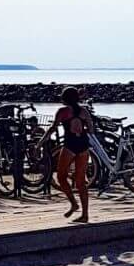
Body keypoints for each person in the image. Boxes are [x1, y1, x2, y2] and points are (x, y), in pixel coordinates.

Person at [41, 87, 94, 224]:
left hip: (70, 145)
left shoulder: (62, 111)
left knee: (61, 176)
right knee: (81, 181)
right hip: (83, 146)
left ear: (64, 98)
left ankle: (73, 202)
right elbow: (91, 129)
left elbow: (53, 128)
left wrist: (40, 142)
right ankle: (85, 214)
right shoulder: (84, 111)